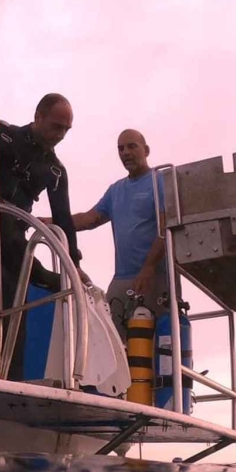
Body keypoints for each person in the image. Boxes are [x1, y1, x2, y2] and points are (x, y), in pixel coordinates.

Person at [0, 93, 82, 379]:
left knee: (18, 287)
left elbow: (63, 220)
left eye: (66, 130)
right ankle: (40, 274)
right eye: (57, 126)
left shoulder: (55, 171)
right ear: (38, 116)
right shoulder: (3, 134)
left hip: (13, 231)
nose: (60, 135)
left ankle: (11, 373)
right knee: (25, 265)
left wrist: (75, 264)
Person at [69, 129, 171, 337]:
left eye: (131, 146)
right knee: (111, 337)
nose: (125, 152)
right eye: (120, 148)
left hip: (154, 276)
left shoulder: (159, 181)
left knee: (157, 343)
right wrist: (52, 222)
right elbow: (89, 219)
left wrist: (149, 268)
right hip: (122, 278)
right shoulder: (116, 190)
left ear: (146, 150)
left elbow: (166, 229)